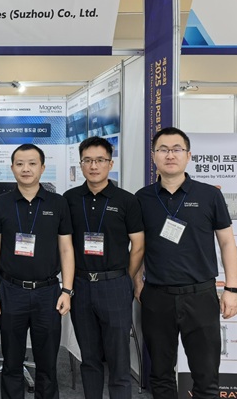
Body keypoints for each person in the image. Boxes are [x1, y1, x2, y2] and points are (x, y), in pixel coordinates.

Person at [135, 127, 237, 399]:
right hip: (157, 297)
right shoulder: (142, 198)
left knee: (206, 377)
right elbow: (138, 245)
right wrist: (137, 280)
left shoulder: (209, 195)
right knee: (160, 375)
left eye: (177, 149)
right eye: (163, 150)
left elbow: (227, 243)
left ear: (188, 155)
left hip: (200, 296)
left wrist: (232, 289)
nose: (170, 155)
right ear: (154, 156)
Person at [0, 143, 75, 399]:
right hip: (11, 291)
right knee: (11, 362)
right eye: (20, 164)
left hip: (48, 292)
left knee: (47, 363)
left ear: (42, 168)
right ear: (12, 167)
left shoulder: (58, 203)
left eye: (32, 163)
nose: (26, 169)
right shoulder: (0, 204)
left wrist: (67, 290)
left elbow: (66, 249)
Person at [63, 136, 144, 399]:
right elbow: (64, 245)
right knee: (89, 357)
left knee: (119, 358)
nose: (93, 166)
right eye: (87, 160)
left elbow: (138, 245)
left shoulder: (126, 200)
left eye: (100, 160)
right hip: (81, 285)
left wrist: (124, 278)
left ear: (110, 163)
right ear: (80, 164)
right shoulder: (70, 199)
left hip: (115, 284)